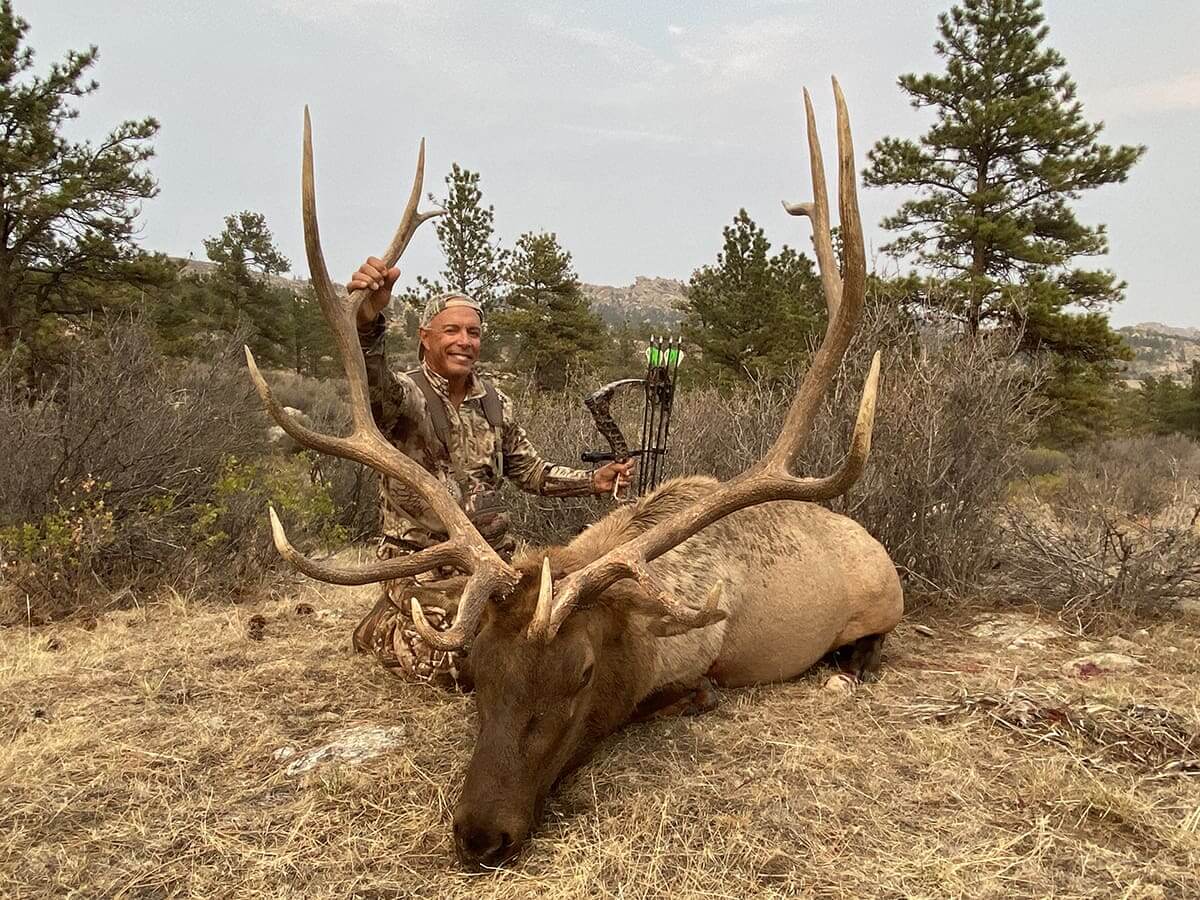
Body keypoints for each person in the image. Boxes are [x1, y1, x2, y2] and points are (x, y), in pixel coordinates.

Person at [346, 256, 633, 688]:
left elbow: (531, 471)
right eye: (451, 330)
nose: (465, 341)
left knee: (551, 635)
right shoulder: (403, 398)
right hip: (423, 563)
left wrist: (593, 481)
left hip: (494, 562)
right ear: (424, 338)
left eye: (473, 332)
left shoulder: (496, 403)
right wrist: (367, 323)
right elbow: (371, 383)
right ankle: (380, 627)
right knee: (458, 665)